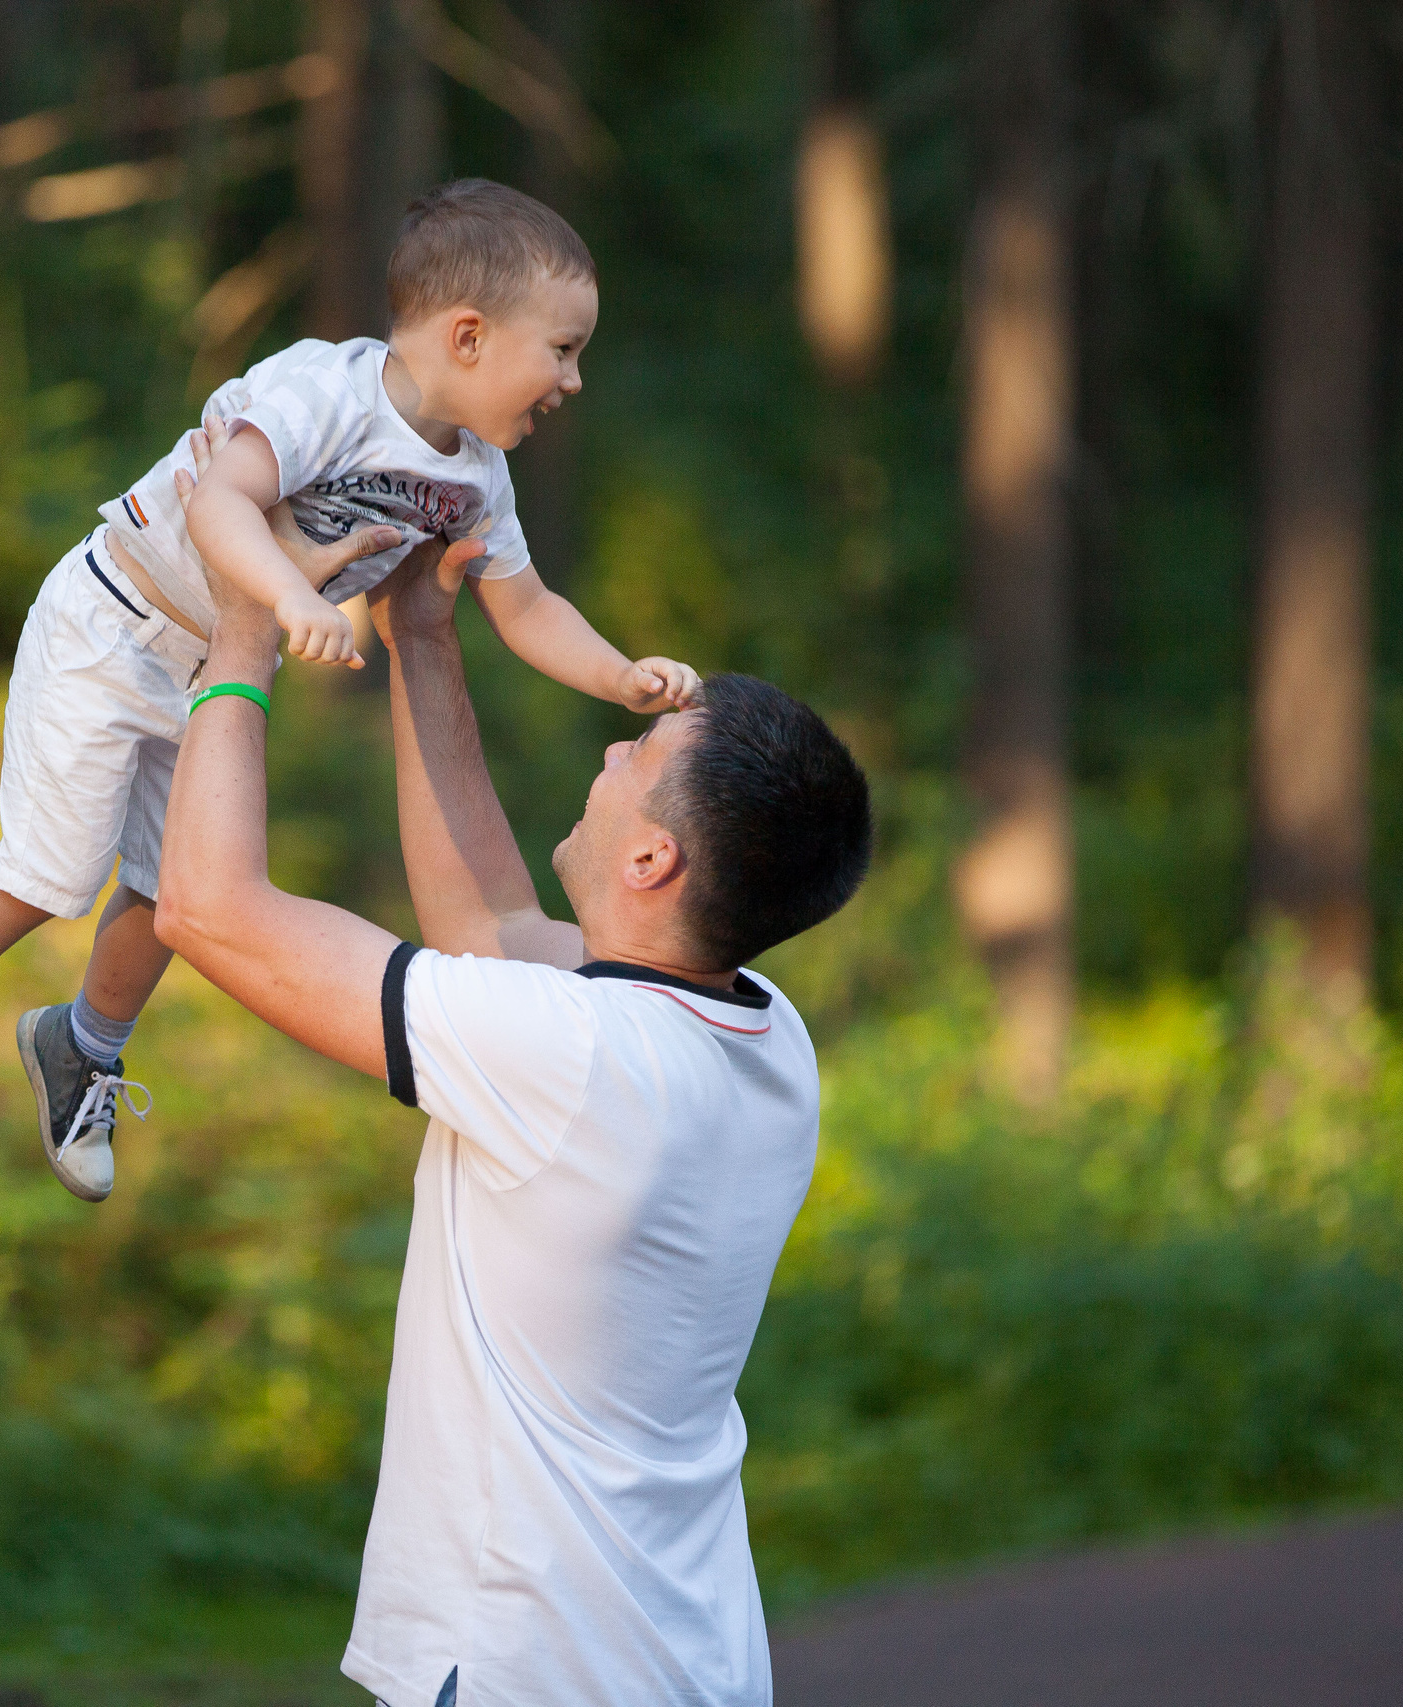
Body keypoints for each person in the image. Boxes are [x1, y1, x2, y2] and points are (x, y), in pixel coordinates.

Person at [151, 429, 874, 1705]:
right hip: (688, 1666)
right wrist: (422, 640)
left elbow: (208, 909)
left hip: (525, 1668)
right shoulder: (765, 1036)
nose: (608, 756)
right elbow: (485, 927)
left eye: (636, 759)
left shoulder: (574, 1056)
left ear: (652, 860)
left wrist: (243, 632)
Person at [0, 179, 701, 1203]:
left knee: (165, 887)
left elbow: (527, 607)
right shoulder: (323, 390)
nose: (572, 380)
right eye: (561, 349)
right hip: (116, 625)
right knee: (54, 871)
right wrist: (292, 595)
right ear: (468, 336)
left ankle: (83, 1046)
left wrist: (618, 674)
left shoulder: (476, 478)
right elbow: (219, 503)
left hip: (210, 662)